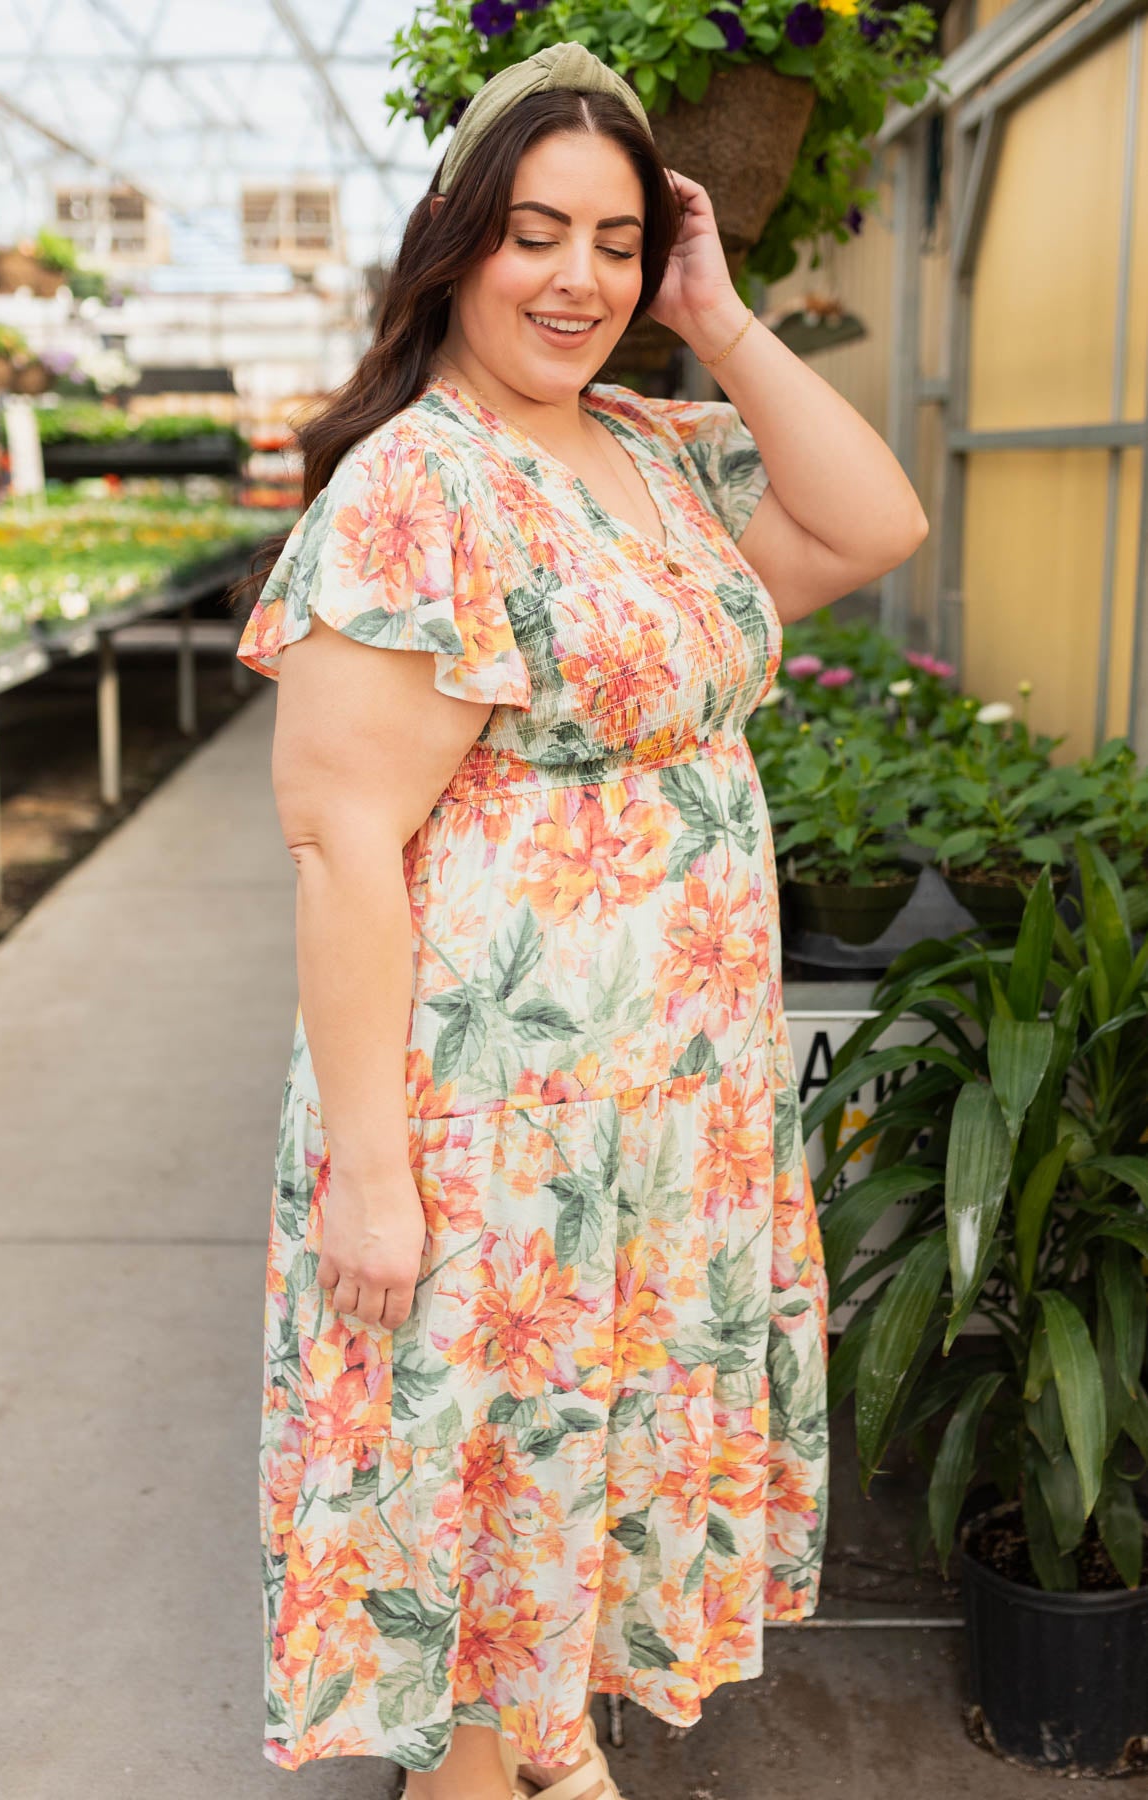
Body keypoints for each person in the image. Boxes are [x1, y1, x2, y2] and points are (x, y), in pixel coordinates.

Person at [234, 37, 928, 1800]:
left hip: (665, 1106)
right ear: (455, 241)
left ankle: (554, 1754)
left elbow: (869, 519)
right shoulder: (416, 486)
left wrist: (718, 316)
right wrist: (372, 1177)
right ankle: (497, 1768)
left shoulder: (638, 444)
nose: (577, 279)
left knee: (588, 1463)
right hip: (496, 1120)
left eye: (614, 241)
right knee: (479, 1493)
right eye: (534, 232)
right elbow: (341, 843)